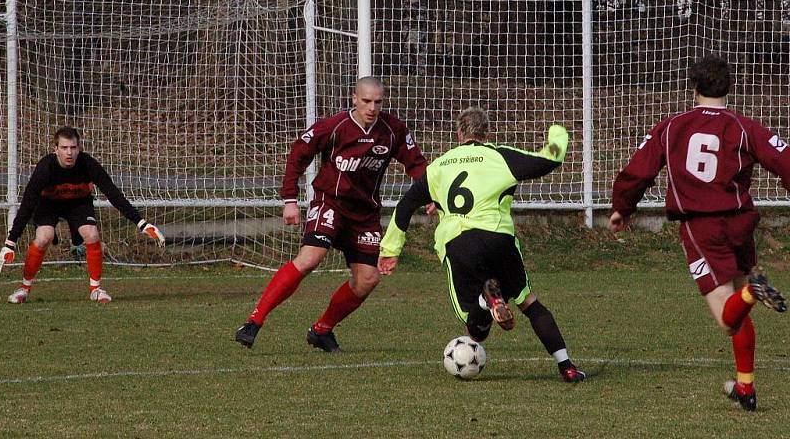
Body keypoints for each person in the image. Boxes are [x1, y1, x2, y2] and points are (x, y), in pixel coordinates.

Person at [609, 54, 788, 411]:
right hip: (740, 224)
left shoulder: (673, 126)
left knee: (726, 317)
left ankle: (754, 291)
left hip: (701, 227)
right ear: (729, 88)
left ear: (694, 89)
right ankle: (745, 387)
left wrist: (622, 207)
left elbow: (639, 169)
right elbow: (784, 159)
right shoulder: (744, 127)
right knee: (738, 314)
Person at [378, 106, 586, 383]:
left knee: (476, 329)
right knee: (529, 302)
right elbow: (550, 159)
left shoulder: (439, 165)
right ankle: (567, 366)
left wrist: (390, 250)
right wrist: (558, 133)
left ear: (458, 134)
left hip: (459, 243)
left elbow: (405, 207)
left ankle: (483, 299)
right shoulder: (500, 156)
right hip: (498, 238)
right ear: (487, 134)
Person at [235, 76, 427, 352]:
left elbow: (417, 164)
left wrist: (432, 196)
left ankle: (322, 330)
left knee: (368, 279)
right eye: (366, 101)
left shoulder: (393, 130)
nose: (372, 107)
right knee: (312, 257)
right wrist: (290, 199)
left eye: (378, 102)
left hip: (365, 214)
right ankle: (254, 322)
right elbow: (299, 154)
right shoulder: (334, 126)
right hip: (330, 203)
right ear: (354, 98)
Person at [0, 126, 165, 303]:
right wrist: (10, 243)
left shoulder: (88, 164)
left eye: (73, 148)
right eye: (64, 148)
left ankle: (96, 289)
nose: (69, 153)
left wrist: (141, 223)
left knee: (91, 233)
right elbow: (27, 205)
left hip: (78, 204)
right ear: (56, 149)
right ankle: (24, 289)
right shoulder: (45, 168)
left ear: (79, 148)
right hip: (49, 205)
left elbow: (114, 194)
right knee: (44, 237)